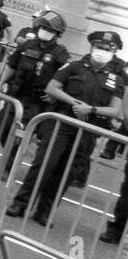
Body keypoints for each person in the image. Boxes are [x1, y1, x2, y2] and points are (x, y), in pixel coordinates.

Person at [7, 31, 125, 226]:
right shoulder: (74, 66)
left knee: (67, 171)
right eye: (99, 47)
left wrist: (91, 109)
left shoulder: (116, 79)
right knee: (45, 163)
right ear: (92, 47)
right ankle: (21, 203)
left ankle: (44, 212)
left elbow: (115, 109)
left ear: (113, 53)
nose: (101, 52)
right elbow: (52, 88)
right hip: (61, 122)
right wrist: (74, 103)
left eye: (106, 49)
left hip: (88, 129)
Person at [0, 9, 69, 170]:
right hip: (17, 95)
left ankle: (8, 167)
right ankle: (10, 158)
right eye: (44, 28)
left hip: (37, 102)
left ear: (57, 34)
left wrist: (54, 96)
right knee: (2, 125)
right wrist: (1, 83)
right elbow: (12, 66)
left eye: (50, 30)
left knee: (20, 133)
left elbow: (65, 78)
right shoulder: (27, 45)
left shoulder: (60, 54)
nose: (45, 32)